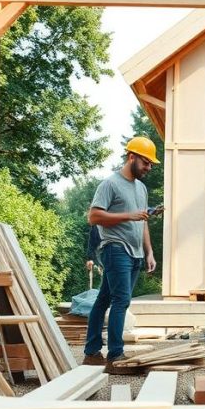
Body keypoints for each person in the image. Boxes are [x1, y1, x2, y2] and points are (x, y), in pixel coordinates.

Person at [83, 136, 160, 373]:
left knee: (104, 299)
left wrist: (149, 251)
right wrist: (130, 215)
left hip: (136, 252)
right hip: (115, 249)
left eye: (150, 165)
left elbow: (142, 222)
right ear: (131, 157)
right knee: (121, 301)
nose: (148, 168)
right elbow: (93, 217)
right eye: (146, 163)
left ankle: (91, 352)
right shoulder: (110, 184)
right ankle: (115, 356)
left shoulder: (141, 188)